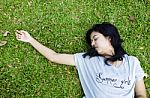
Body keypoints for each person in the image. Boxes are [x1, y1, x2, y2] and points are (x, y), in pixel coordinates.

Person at [16, 22, 147, 98]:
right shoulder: (88, 61)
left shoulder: (132, 62)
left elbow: (141, 95)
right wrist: (30, 40)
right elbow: (54, 56)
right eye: (91, 41)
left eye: (95, 38)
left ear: (109, 37)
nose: (92, 44)